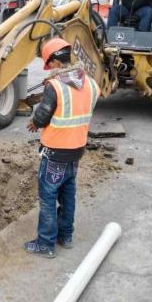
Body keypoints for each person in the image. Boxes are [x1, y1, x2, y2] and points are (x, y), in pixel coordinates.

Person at [24, 39, 100, 258]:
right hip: (76, 150)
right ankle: (65, 236)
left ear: (56, 60)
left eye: (51, 65)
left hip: (55, 152)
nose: (51, 69)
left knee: (48, 198)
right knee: (68, 194)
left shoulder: (55, 86)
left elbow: (44, 112)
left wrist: (35, 123)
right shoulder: (91, 83)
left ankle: (45, 244)